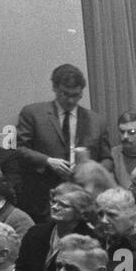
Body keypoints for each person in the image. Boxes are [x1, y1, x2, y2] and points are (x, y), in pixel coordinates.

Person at [15, 64, 112, 219]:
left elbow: (107, 158)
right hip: (43, 197)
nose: (71, 100)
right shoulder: (33, 113)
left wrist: (94, 171)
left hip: (83, 198)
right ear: (54, 88)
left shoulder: (96, 121)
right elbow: (21, 150)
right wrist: (48, 161)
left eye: (76, 95)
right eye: (65, 94)